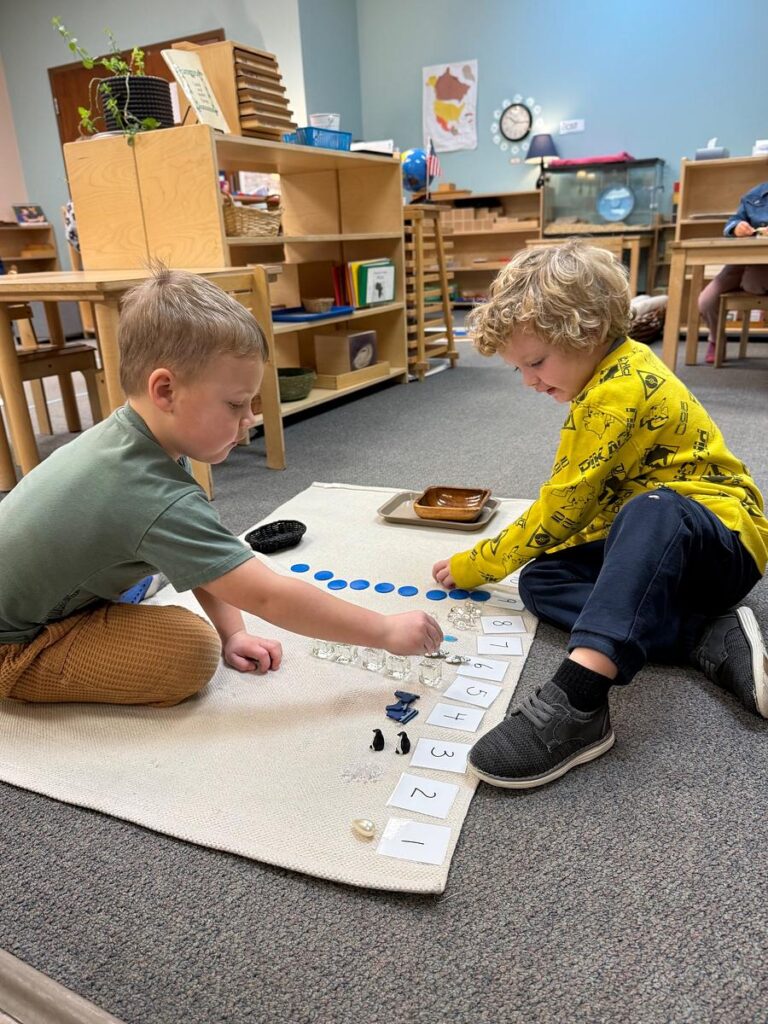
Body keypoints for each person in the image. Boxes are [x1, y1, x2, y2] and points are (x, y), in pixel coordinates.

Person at [0, 268, 442, 707]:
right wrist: (384, 630)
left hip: (32, 595)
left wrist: (234, 632)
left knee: (178, 557)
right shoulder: (151, 494)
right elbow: (268, 595)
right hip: (11, 645)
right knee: (190, 652)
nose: (249, 419)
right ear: (165, 390)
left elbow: (207, 560)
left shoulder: (136, 438)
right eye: (235, 404)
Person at [433, 241, 768, 790]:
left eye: (536, 363)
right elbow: (590, 504)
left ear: (586, 334)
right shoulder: (605, 372)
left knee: (651, 510)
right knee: (541, 580)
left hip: (722, 544)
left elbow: (561, 509)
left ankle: (579, 700)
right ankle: (701, 634)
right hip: (660, 546)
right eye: (520, 368)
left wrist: (478, 563)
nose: (529, 381)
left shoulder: (616, 392)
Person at [698, 181, 768, 363]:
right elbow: (732, 223)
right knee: (706, 300)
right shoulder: (754, 195)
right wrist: (737, 227)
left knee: (754, 281)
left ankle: (749, 281)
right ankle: (716, 339)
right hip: (742, 262)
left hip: (762, 266)